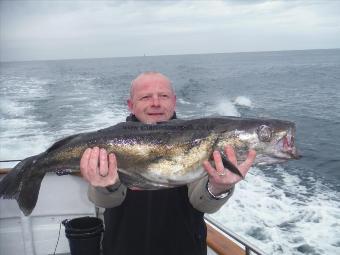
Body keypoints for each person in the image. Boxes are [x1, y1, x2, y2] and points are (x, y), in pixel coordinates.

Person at [80, 72, 256, 255]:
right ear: (131, 105)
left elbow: (202, 203)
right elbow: (103, 200)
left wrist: (218, 187)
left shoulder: (201, 139)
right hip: (122, 247)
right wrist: (106, 187)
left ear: (174, 101)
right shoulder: (109, 143)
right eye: (145, 97)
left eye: (163, 96)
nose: (155, 103)